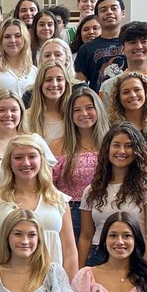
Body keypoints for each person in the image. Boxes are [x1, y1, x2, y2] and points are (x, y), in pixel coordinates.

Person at [0, 135, 77, 280]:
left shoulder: (59, 200)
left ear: (41, 160)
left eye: (32, 156)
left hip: (54, 288)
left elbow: (70, 253)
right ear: (9, 162)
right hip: (9, 291)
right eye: (18, 157)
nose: (26, 163)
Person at [78, 123, 147, 267]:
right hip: (98, 258)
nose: (122, 151)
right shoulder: (91, 190)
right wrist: (79, 272)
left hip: (136, 257)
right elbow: (85, 237)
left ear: (137, 151)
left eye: (129, 146)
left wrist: (145, 268)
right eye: (116, 145)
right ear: (107, 149)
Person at [50, 86, 108, 244]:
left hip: (104, 210)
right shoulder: (57, 146)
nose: (84, 114)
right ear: (70, 115)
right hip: (70, 212)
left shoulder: (110, 143)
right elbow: (48, 185)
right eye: (77, 110)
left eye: (89, 108)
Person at [104, 70, 147, 171]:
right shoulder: (110, 130)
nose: (132, 95)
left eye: (137, 90)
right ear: (118, 98)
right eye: (126, 92)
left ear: (146, 93)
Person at [73, 0, 133, 92]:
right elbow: (79, 86)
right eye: (103, 10)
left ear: (123, 13)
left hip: (131, 101)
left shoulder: (135, 43)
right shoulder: (86, 49)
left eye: (114, 8)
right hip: (100, 104)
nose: (109, 12)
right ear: (96, 18)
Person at [23, 62, 74, 143]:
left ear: (66, 84)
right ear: (40, 84)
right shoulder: (25, 117)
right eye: (48, 80)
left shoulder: (74, 115)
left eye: (59, 79)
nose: (54, 84)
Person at [0, 18, 37, 99]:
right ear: (1, 40)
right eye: (7, 37)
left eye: (17, 36)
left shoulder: (34, 71)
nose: (12, 40)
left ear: (25, 39)